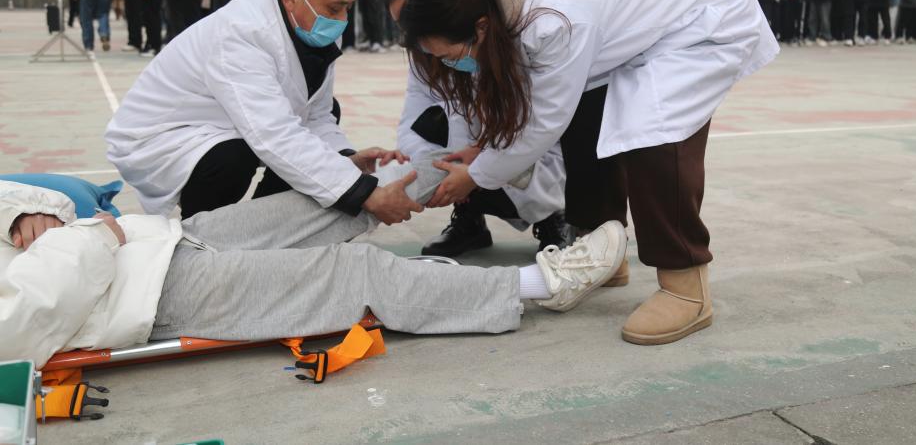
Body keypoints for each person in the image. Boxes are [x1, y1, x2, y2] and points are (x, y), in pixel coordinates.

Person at [398, 0, 779, 345]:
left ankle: (686, 287)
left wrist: (477, 174)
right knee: (586, 118)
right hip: (640, 14)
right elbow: (542, 102)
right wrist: (483, 152)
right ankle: (601, 251)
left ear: (480, 28)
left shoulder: (551, 17)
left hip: (698, 8)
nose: (451, 65)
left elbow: (544, 119)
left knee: (654, 133)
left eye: (451, 55)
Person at [0, 176, 627, 368]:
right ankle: (547, 284)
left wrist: (23, 213)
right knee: (355, 273)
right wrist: (91, 240)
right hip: (142, 290)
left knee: (323, 204)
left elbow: (21, 195)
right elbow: (20, 323)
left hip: (154, 240)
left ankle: (455, 180)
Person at [106, 0, 418, 223]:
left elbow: (317, 113)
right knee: (233, 156)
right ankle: (203, 233)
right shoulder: (241, 32)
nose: (342, 20)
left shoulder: (311, 25)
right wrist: (365, 194)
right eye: (334, 8)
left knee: (325, 112)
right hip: (163, 135)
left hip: (220, 122)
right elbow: (273, 133)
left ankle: (268, 221)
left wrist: (345, 158)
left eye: (347, 7)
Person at [383, 0, 579, 259]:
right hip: (474, 151)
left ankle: (554, 217)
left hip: (530, 144)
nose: (414, 33)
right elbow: (413, 116)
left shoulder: (509, 40)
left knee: (521, 148)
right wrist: (439, 168)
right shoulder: (423, 55)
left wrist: (477, 169)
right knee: (434, 130)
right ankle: (469, 219)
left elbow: (541, 125)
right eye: (403, 24)